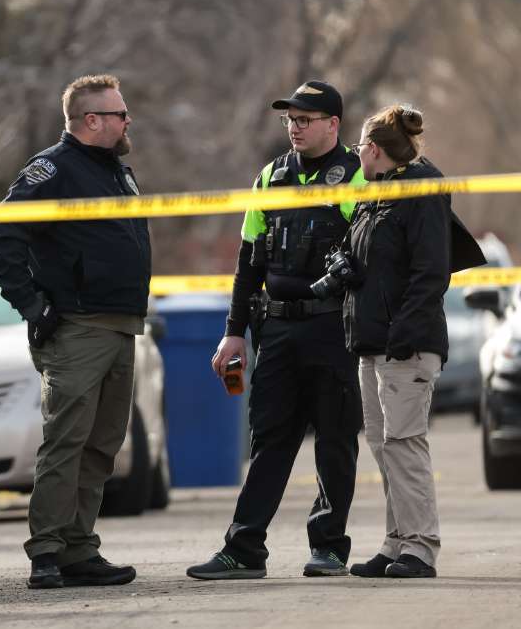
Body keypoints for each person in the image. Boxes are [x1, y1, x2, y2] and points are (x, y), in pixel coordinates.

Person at [186, 80, 367, 580]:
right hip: (280, 330)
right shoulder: (271, 176)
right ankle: (243, 550)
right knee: (270, 440)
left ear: (333, 124)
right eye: (290, 119)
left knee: (334, 440)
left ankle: (328, 547)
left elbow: (369, 257)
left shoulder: (356, 176)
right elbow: (249, 262)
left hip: (333, 328)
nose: (295, 127)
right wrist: (234, 331)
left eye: (305, 119)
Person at [0, 74, 152, 590]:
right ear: (91, 120)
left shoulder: (115, 172)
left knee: (103, 445)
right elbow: (4, 238)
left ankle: (80, 548)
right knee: (66, 442)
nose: (128, 121)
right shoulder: (53, 169)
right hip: (78, 329)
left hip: (120, 325)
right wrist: (33, 306)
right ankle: (47, 552)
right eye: (119, 113)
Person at [342, 105, 481, 579]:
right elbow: (376, 266)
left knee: (405, 443)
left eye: (360, 146)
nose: (357, 153)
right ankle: (396, 541)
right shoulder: (374, 195)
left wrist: (403, 333)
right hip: (373, 343)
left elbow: (430, 271)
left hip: (406, 344)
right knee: (384, 445)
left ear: (374, 149)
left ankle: (420, 548)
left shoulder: (422, 190)